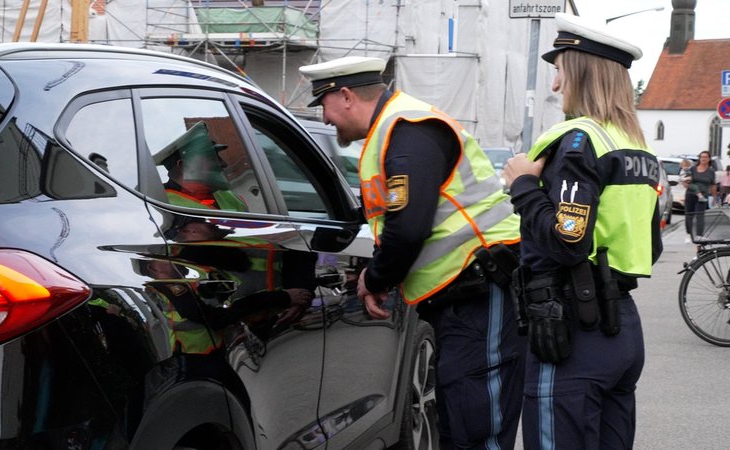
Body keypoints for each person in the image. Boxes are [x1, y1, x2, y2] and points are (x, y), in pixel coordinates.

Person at [299, 56, 526, 449]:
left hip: (480, 286)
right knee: (460, 417)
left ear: (347, 96)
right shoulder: (393, 131)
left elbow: (408, 227)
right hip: (463, 293)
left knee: (477, 423)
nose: (325, 117)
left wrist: (375, 278)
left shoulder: (407, 128)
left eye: (324, 104)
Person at [502, 13, 662, 449]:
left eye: (559, 71)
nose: (555, 85)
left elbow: (568, 241)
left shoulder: (579, 141)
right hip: (622, 328)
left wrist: (521, 186)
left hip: (572, 331)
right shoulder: (637, 149)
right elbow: (652, 245)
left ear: (579, 73)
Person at [154, 121, 247, 211]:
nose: (224, 164)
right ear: (184, 167)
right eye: (212, 158)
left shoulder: (228, 196)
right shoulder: (163, 207)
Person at [684, 151, 717, 243]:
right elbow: (686, 181)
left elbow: (713, 185)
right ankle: (689, 235)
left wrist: (714, 198)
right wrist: (686, 183)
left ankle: (699, 235)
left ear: (709, 159)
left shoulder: (711, 171)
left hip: (703, 196)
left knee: (700, 215)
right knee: (689, 215)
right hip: (690, 194)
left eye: (706, 157)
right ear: (699, 158)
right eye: (702, 157)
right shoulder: (693, 169)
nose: (703, 159)